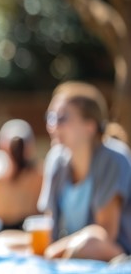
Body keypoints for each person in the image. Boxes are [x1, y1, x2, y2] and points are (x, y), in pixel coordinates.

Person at [38, 94, 131, 260]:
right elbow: (49, 226)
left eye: (62, 118)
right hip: (62, 248)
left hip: (109, 250)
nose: (53, 126)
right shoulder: (56, 160)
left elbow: (104, 235)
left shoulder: (113, 159)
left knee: (89, 243)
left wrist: (52, 251)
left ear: (90, 126)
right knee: (3, 242)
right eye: (51, 118)